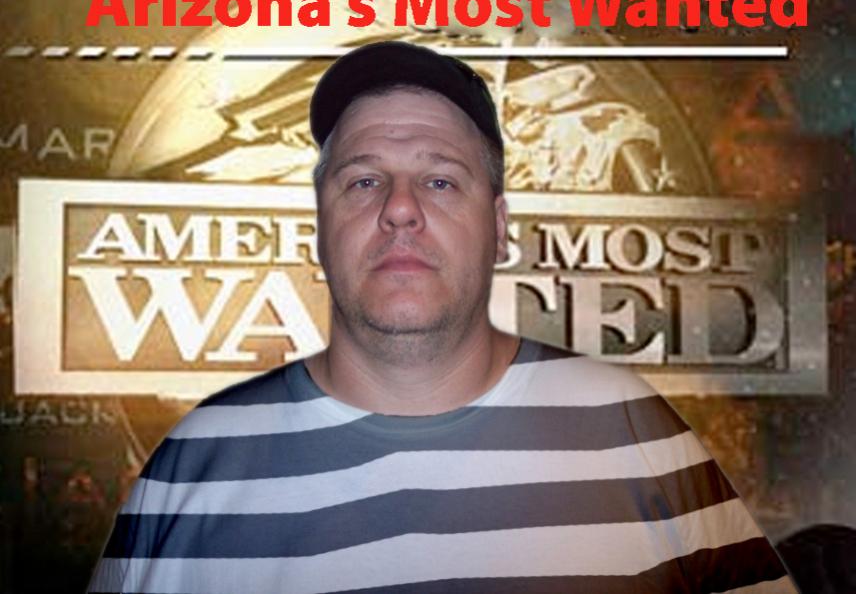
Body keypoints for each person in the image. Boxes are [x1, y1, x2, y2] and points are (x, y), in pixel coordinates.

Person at [89, 42, 795, 593]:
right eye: (364, 180)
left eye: (440, 180)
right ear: (318, 226)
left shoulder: (636, 434)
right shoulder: (197, 463)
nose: (400, 208)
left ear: (500, 226)